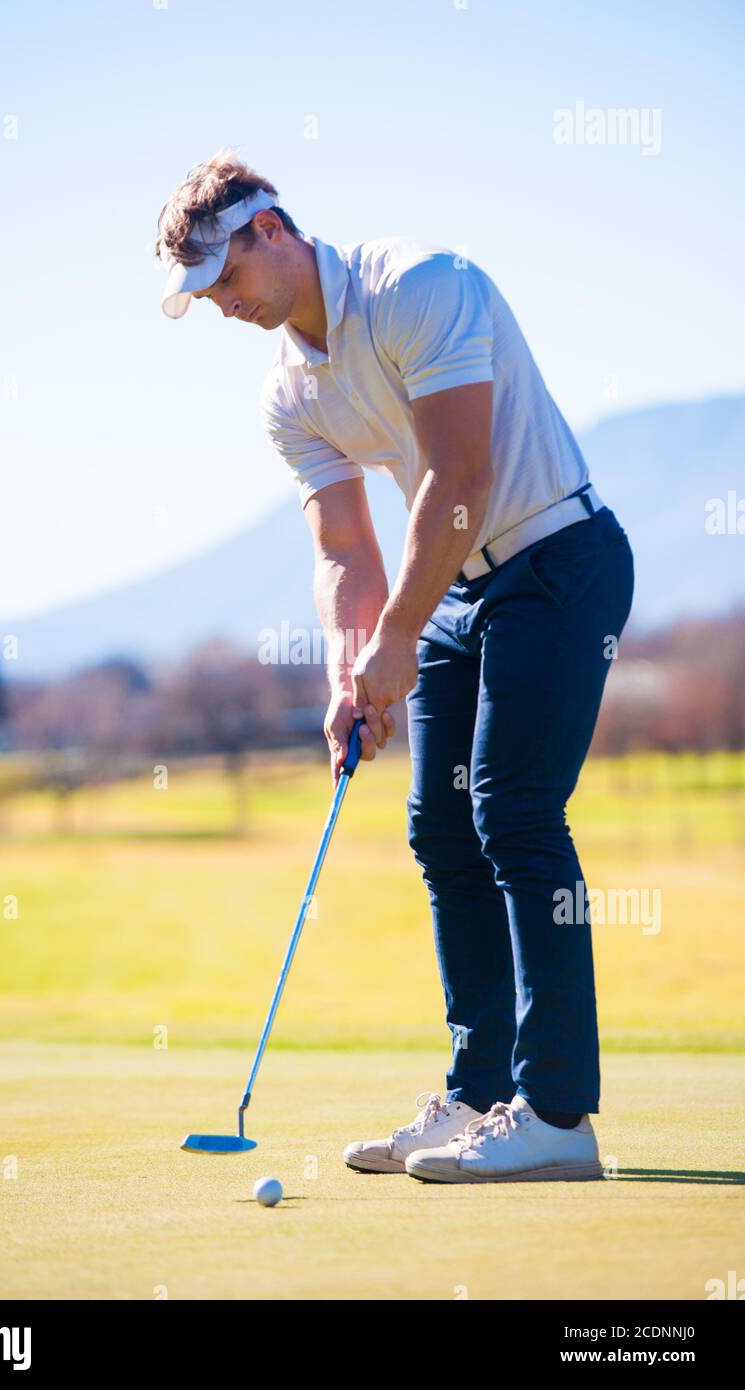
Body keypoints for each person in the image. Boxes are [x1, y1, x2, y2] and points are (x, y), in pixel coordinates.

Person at [155, 149, 635, 1184]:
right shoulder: (288, 395)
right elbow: (343, 547)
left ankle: (556, 1114)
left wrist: (399, 637)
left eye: (226, 279)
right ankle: (477, 1095)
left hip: (555, 558)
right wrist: (350, 667)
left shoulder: (416, 284)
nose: (224, 305)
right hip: (458, 586)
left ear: (270, 231)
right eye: (204, 295)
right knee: (440, 828)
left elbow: (461, 471)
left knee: (512, 813)